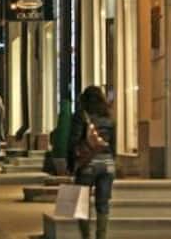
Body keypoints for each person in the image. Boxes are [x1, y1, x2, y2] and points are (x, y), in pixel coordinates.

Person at [69, 86, 116, 239]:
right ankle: (101, 236)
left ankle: (86, 236)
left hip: (87, 164)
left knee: (82, 204)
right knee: (103, 204)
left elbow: (73, 141)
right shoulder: (109, 117)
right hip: (107, 165)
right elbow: (113, 145)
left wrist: (71, 164)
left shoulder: (81, 116)